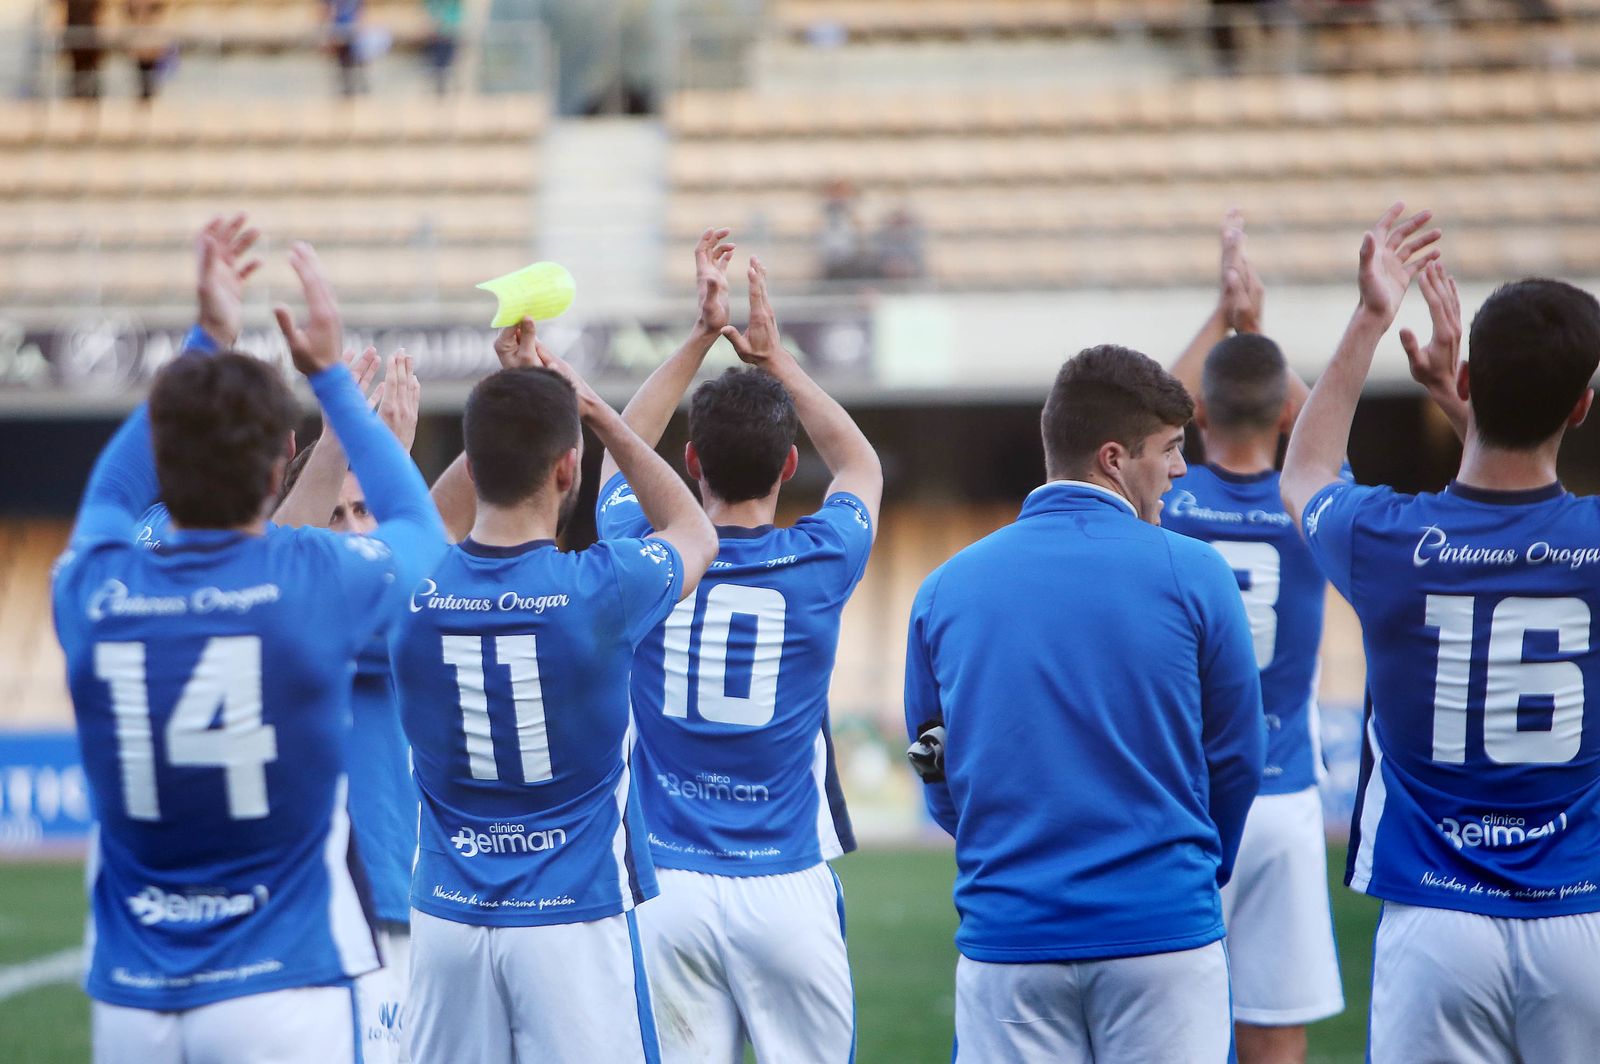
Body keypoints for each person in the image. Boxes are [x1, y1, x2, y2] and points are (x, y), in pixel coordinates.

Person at [53, 224, 448, 1062]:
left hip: (135, 994)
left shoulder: (91, 585)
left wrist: (208, 343)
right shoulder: (312, 581)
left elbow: (113, 487)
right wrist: (334, 381)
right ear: (280, 474)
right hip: (287, 979)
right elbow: (417, 524)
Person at [1283, 205, 1600, 1062]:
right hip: (1582, 917)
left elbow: (1305, 471)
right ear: (1580, 406)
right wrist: (1470, 412)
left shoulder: (1389, 541)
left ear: (1472, 381)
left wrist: (1371, 318)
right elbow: (1530, 514)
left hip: (1436, 919)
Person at [904, 343, 1265, 1061]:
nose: (1181, 468)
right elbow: (1238, 758)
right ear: (1113, 458)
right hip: (1162, 929)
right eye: (1168, 449)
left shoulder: (945, 587)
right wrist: (1194, 869)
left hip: (1009, 937)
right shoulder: (1197, 573)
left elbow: (933, 762)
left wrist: (1000, 854)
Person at [388, 324, 718, 1064]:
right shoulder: (601, 589)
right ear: (568, 469)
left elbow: (430, 522)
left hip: (445, 923)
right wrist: (595, 413)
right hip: (573, 917)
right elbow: (693, 530)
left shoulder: (412, 585)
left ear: (473, 466)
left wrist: (511, 419)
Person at [593, 231, 881, 1063]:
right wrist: (777, 361)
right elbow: (859, 464)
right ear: (790, 465)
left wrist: (696, 338)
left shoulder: (648, 553)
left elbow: (619, 455)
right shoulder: (823, 558)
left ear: (688, 462)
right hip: (786, 885)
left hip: (666, 888)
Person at [1160, 212, 1344, 1063]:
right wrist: (1259, 334)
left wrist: (1223, 317)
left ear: (1196, 412)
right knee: (1273, 1026)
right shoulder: (1313, 506)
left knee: (1168, 1024)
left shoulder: (1165, 502)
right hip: (1282, 797)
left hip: (1178, 794)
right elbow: (1315, 425)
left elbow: (1140, 411)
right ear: (1279, 417)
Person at [274, 346, 423, 1064]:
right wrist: (386, 455)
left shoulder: (401, 596)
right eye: (337, 514)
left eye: (367, 508)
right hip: (345, 915)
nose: (358, 526)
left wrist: (394, 459)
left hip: (423, 901)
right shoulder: (298, 607)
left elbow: (422, 545)